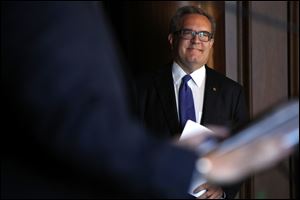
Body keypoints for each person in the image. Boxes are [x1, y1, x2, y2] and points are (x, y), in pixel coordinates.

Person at [134, 6, 249, 199]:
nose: (197, 40)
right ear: (172, 39)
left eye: (204, 34)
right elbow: (132, 145)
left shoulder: (232, 92)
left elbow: (243, 149)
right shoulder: (142, 88)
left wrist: (224, 190)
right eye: (189, 33)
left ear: (211, 43)